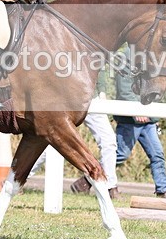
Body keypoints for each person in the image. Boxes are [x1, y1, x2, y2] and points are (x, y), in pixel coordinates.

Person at [30, 71, 119, 199]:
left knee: (108, 141)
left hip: (92, 98)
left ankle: (110, 186)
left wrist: (102, 91)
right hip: (70, 98)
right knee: (52, 142)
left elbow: (100, 67)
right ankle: (21, 176)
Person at [113, 46, 166, 198]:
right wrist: (136, 110)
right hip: (129, 121)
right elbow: (124, 90)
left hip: (148, 120)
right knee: (120, 155)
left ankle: (162, 190)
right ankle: (89, 179)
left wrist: (151, 113)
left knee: (157, 155)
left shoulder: (154, 56)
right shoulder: (126, 56)